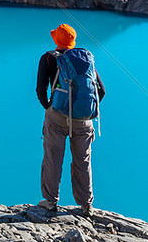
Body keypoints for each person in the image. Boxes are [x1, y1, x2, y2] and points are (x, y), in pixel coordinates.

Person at [36, 23, 105, 216]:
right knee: (82, 161)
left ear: (56, 40)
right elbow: (102, 91)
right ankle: (86, 205)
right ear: (73, 42)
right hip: (84, 120)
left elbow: (40, 90)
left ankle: (50, 202)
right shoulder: (86, 60)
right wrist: (85, 110)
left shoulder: (49, 58)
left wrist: (50, 107)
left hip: (57, 117)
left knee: (53, 158)